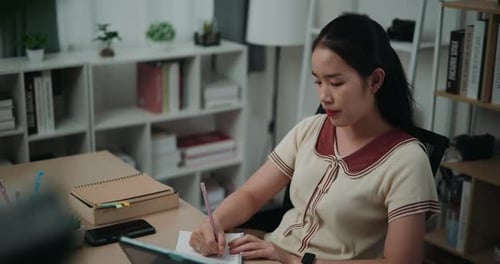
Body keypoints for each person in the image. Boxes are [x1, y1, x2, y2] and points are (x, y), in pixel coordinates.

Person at [189, 13, 439, 263]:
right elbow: (252, 195)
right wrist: (214, 222)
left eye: (336, 83)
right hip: (273, 253)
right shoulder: (310, 129)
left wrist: (294, 260)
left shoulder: (407, 160)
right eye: (318, 82)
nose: (324, 96)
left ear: (374, 80)